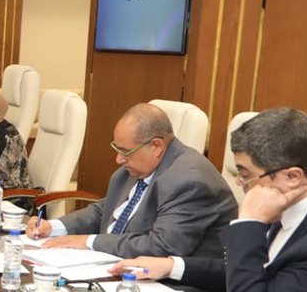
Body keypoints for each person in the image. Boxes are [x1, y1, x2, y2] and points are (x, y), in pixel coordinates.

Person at [111, 109, 307, 292]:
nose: (239, 182)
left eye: (245, 174)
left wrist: (250, 223)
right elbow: (250, 272)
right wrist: (171, 266)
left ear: (292, 176)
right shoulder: (288, 200)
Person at [28, 102, 237, 258]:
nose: (118, 159)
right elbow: (105, 210)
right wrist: (53, 226)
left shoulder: (189, 181)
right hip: (115, 266)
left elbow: (163, 246)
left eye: (125, 151)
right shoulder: (137, 168)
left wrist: (90, 242)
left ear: (156, 146)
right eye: (116, 149)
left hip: (169, 287)